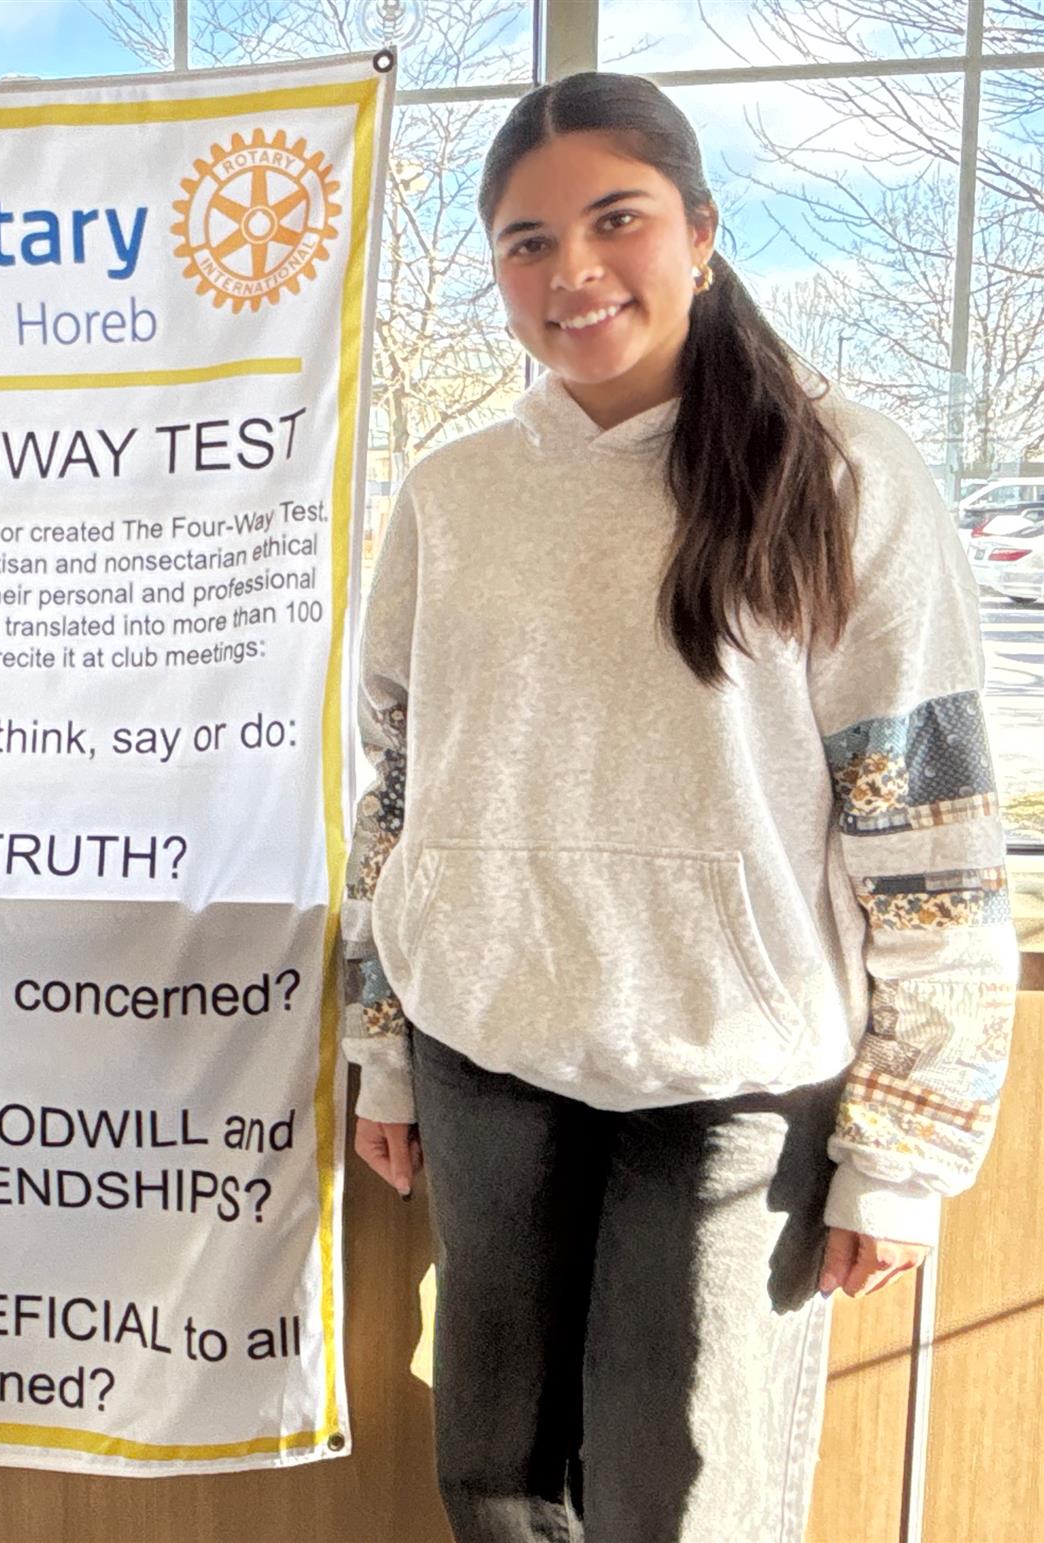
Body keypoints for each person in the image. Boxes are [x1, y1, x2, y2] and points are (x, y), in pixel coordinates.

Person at [341, 73, 1017, 1541]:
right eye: (527, 241)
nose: (572, 270)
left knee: (684, 1503)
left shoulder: (839, 474)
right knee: (497, 1483)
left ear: (702, 234)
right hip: (486, 1053)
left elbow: (929, 833)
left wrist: (905, 1147)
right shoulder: (453, 496)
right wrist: (384, 1050)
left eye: (617, 220)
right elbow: (397, 794)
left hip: (732, 1081)